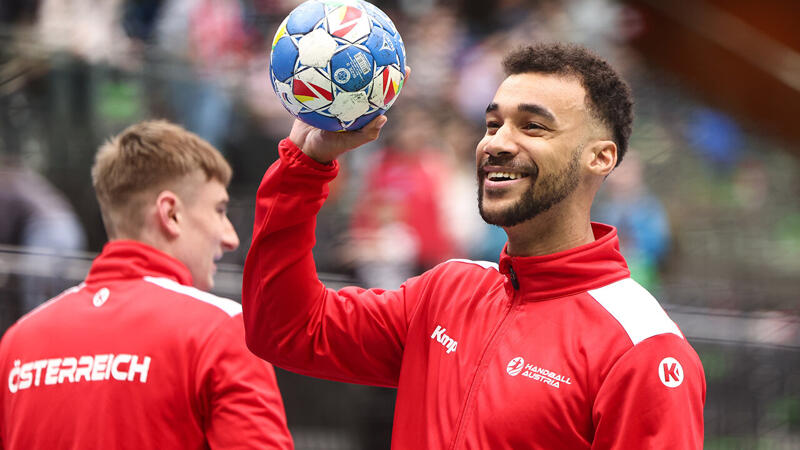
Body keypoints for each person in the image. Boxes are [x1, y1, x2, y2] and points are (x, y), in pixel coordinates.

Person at [242, 43, 705, 448]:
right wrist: (305, 167)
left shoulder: (644, 348)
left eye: (533, 126)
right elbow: (286, 329)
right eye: (492, 123)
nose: (496, 142)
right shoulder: (447, 292)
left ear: (601, 157)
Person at [0, 120, 294, 449]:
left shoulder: (17, 343)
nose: (230, 237)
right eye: (219, 210)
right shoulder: (220, 331)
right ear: (171, 214)